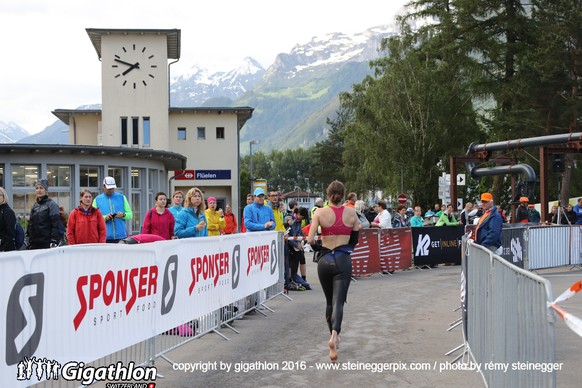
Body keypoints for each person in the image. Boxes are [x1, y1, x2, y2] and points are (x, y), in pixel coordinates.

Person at [307, 181, 360, 362]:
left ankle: (334, 338)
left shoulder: (320, 212)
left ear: (328, 195)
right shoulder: (352, 213)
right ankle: (334, 336)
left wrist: (320, 247)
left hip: (324, 260)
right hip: (342, 260)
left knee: (329, 302)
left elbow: (310, 239)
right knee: (339, 302)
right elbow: (356, 236)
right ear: (344, 196)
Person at [93, 176, 133, 243]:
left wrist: (123, 215)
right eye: (109, 188)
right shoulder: (97, 200)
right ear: (103, 186)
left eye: (112, 188)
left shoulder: (122, 197)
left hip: (121, 236)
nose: (111, 190)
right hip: (105, 237)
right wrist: (105, 217)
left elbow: (130, 215)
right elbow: (93, 218)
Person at [26, 179, 63, 250]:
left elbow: (55, 224)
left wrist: (54, 240)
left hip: (47, 243)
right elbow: (30, 224)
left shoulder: (51, 205)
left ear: (46, 190)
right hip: (34, 244)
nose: (39, 190)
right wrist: (28, 238)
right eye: (37, 188)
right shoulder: (34, 206)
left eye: (41, 188)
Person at [287, 207, 311, 290]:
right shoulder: (290, 219)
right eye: (302, 217)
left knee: (301, 258)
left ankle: (301, 279)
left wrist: (305, 236)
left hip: (296, 243)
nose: (303, 219)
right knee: (290, 263)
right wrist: (296, 245)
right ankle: (290, 280)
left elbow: (299, 231)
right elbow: (288, 235)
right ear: (298, 214)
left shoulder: (299, 221)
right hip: (289, 244)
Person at [0, 186, 17, 252]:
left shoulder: (8, 211)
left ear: (4, 197)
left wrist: (3, 247)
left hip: (6, 250)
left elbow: (10, 233)